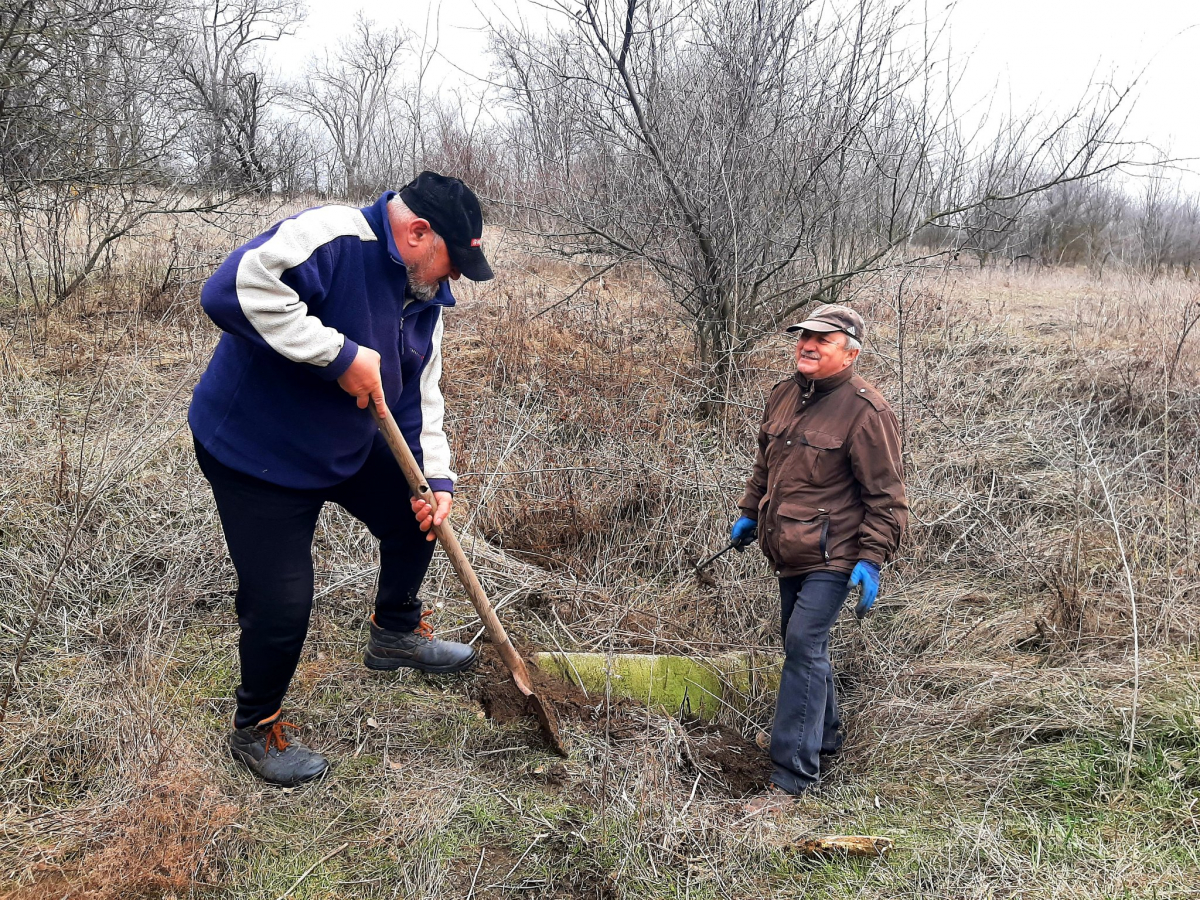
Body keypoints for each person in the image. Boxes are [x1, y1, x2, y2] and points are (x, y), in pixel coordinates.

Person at [189, 172, 493, 786]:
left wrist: (436, 480)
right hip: (258, 453)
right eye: (450, 263)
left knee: (420, 516)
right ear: (417, 232)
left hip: (345, 445)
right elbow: (229, 288)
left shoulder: (423, 298)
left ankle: (394, 634)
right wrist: (340, 355)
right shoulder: (332, 237)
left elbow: (418, 397)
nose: (451, 279)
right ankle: (256, 726)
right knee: (282, 603)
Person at [732, 304, 908, 812]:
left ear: (849, 353)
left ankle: (791, 777)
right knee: (803, 644)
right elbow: (766, 466)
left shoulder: (866, 412)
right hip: (789, 546)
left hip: (837, 552)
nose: (807, 346)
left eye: (822, 340)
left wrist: (872, 558)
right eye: (804, 337)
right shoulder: (784, 394)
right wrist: (750, 511)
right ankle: (826, 738)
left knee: (803, 643)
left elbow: (887, 496)